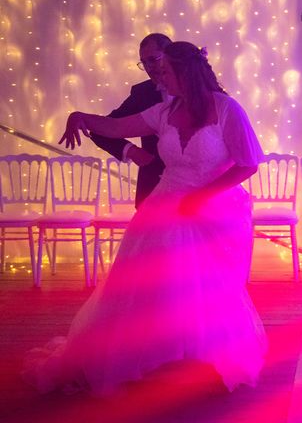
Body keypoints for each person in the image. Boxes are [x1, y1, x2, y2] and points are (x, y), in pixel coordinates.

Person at [23, 41, 267, 396]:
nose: (160, 77)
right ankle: (156, 354)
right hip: (164, 205)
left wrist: (202, 195)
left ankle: (205, 356)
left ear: (186, 72)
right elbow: (117, 126)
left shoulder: (227, 110)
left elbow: (248, 163)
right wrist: (81, 117)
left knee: (206, 288)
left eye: (166, 71)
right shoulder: (165, 112)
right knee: (153, 282)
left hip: (211, 209)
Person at [91, 33, 172, 207]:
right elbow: (102, 129)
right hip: (152, 185)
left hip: (195, 190)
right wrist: (132, 151)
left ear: (170, 54)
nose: (149, 67)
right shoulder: (142, 93)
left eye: (153, 59)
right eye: (144, 63)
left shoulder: (199, 90)